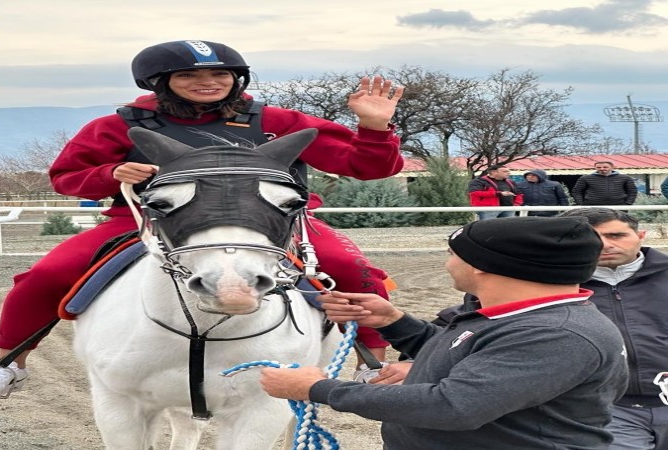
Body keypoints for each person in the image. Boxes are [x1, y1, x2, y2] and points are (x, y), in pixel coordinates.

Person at [0, 40, 405, 398]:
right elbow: (65, 178)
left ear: (237, 78)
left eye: (219, 73)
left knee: (350, 268)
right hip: (148, 220)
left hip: (270, 222)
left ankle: (372, 362)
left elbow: (367, 167)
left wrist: (374, 127)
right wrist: (111, 173)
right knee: (46, 275)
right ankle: (8, 365)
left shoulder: (277, 120)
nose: (208, 82)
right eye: (190, 75)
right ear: (160, 81)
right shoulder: (118, 125)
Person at [260, 216, 629, 450]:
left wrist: (317, 389)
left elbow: (451, 407)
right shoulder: (517, 317)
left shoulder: (556, 335)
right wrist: (393, 322)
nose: (447, 262)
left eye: (454, 253)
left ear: (484, 265)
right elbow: (467, 356)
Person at [557, 208, 668, 450]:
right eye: (592, 238)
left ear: (640, 235)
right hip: (605, 409)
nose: (605, 245)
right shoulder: (548, 286)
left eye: (616, 235)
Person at [572, 161, 637, 206]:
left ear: (612, 167)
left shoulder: (625, 178)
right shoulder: (585, 178)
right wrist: (581, 204)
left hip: (619, 206)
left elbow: (632, 191)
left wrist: (628, 203)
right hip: (593, 207)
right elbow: (576, 191)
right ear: (595, 168)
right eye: (599, 167)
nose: (602, 169)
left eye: (605, 167)